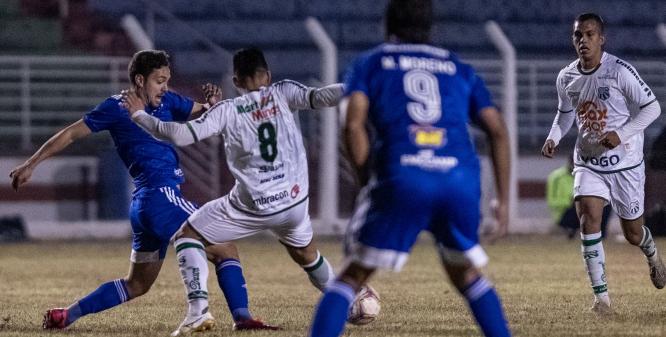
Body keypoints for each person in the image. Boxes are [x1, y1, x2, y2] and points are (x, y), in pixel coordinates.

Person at [9, 50, 262, 331]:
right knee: (225, 248)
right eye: (159, 80)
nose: (165, 87)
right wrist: (31, 164)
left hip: (143, 206)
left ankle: (66, 315)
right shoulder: (117, 107)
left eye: (167, 80)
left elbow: (197, 109)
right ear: (140, 80)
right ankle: (241, 318)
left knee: (137, 284)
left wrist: (211, 105)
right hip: (160, 196)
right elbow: (71, 133)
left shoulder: (166, 101)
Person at [308, 0, 512, 336]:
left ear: (387, 27)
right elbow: (497, 129)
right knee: (467, 275)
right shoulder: (457, 66)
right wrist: (502, 201)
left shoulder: (373, 62)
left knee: (351, 276)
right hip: (458, 178)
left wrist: (366, 181)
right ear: (432, 29)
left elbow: (352, 123)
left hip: (403, 173)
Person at [122, 47, 349, 334]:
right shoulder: (284, 91)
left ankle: (198, 311)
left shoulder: (227, 110)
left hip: (252, 207)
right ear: (268, 75)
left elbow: (179, 135)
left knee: (187, 236)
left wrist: (140, 116)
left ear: (236, 81)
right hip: (294, 203)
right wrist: (362, 86)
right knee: (306, 254)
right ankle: (350, 302)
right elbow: (322, 96)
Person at [541, 12, 664, 314]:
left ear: (602, 39)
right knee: (588, 218)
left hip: (626, 165)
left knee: (633, 233)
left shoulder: (620, 71)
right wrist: (554, 136)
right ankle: (602, 300)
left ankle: (651, 253)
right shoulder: (566, 77)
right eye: (578, 35)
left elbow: (653, 109)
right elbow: (565, 113)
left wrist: (621, 134)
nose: (583, 40)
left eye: (590, 34)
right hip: (589, 162)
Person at [546, 155, 610, 239]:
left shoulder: (587, 175)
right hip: (564, 213)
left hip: (583, 209)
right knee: (579, 204)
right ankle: (571, 230)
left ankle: (600, 235)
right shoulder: (556, 177)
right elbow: (551, 201)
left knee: (605, 204)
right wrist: (569, 201)